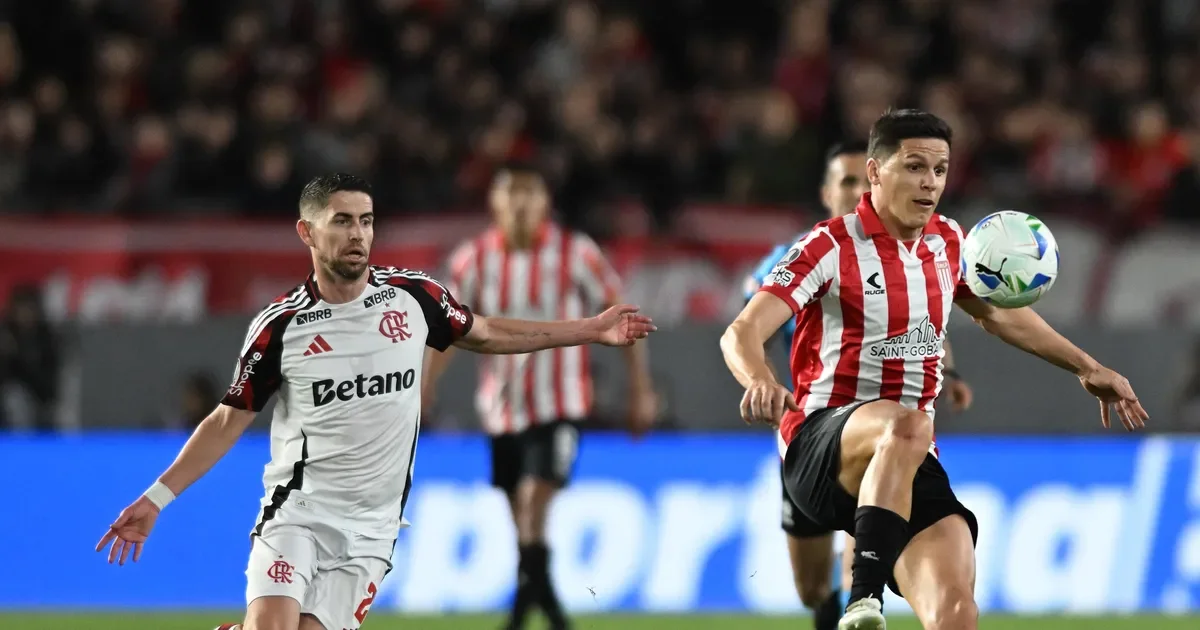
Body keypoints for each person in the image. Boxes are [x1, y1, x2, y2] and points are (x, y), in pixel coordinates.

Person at [94, 173, 656, 630]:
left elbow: (487, 332)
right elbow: (226, 420)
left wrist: (590, 329)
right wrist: (157, 498)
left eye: (365, 220)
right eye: (342, 221)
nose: (358, 234)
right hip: (298, 513)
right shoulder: (281, 327)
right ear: (307, 232)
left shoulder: (413, 298)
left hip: (371, 530)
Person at [721, 109, 1147, 630]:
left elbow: (998, 315)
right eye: (915, 166)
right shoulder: (828, 245)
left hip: (907, 458)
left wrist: (1087, 367)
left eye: (940, 170)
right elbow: (740, 332)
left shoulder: (948, 241)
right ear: (875, 172)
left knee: (956, 609)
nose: (931, 182)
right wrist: (760, 380)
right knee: (906, 426)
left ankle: (873, 596)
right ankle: (863, 599)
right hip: (821, 444)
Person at [742, 140, 975, 630]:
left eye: (859, 180)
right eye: (844, 181)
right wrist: (762, 380)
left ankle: (863, 597)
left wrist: (949, 373)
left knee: (871, 527)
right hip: (818, 425)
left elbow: (928, 324)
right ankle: (845, 603)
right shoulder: (805, 254)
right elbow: (749, 329)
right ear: (826, 192)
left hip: (887, 426)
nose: (855, 191)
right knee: (810, 587)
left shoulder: (918, 249)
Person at [422, 163, 657, 630]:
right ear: (496, 205)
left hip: (560, 402)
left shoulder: (576, 253)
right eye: (511, 197)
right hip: (501, 407)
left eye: (529, 197)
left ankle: (519, 618)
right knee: (523, 522)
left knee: (533, 503)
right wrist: (426, 383)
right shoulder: (473, 259)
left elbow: (621, 317)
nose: (520, 207)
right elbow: (450, 329)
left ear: (545, 204)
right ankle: (547, 611)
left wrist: (641, 389)